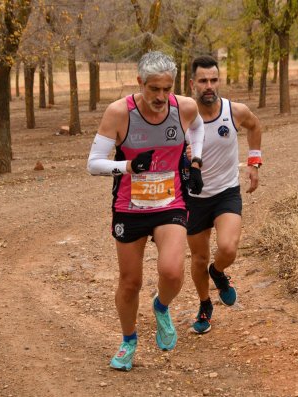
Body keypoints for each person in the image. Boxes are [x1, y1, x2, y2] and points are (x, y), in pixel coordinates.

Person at [86, 51, 205, 371]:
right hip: (130, 207)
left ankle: (161, 307)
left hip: (171, 203)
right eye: (154, 89)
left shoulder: (185, 107)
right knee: (130, 282)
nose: (161, 97)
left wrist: (195, 161)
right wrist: (126, 166)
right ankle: (128, 341)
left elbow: (197, 128)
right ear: (140, 83)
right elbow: (93, 163)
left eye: (167, 89)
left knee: (172, 271)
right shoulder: (118, 113)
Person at [186, 55, 262, 334]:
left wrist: (254, 163)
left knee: (228, 248)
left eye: (214, 80)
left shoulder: (234, 111)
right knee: (198, 258)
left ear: (220, 81)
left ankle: (218, 273)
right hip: (193, 198)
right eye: (203, 81)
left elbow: (255, 126)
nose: (209, 86)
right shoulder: (182, 116)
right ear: (192, 83)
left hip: (226, 192)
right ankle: (205, 305)